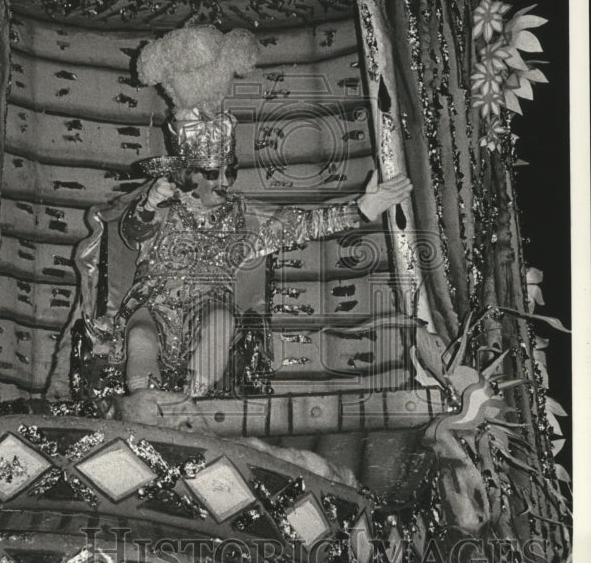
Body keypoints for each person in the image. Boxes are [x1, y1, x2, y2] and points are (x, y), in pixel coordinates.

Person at [110, 25, 412, 429]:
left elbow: (298, 225)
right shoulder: (162, 203)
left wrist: (361, 210)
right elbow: (131, 234)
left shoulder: (243, 219)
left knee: (221, 322)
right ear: (186, 172)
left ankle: (186, 410)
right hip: (154, 305)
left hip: (209, 307)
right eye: (208, 173)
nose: (218, 183)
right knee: (140, 339)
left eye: (224, 174)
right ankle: (145, 412)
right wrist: (147, 202)